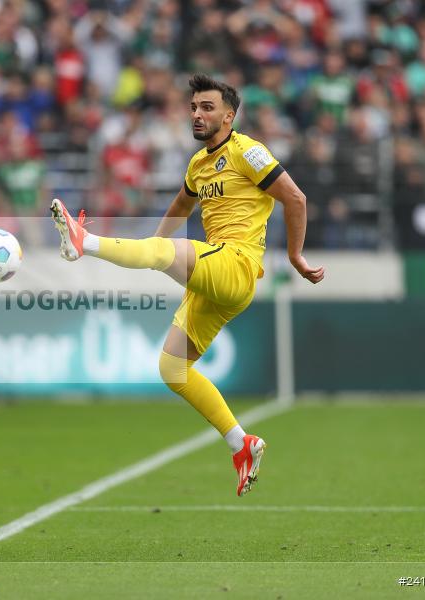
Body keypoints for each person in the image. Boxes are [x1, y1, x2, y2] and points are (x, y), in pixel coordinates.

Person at [50, 74, 324, 496]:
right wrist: (154, 246)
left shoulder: (247, 151)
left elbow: (296, 198)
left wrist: (294, 255)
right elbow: (180, 204)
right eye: (194, 107)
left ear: (229, 116)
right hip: (218, 276)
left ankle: (84, 241)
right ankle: (242, 443)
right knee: (172, 368)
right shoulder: (198, 165)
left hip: (237, 264)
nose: (198, 114)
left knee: (166, 252)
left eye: (208, 107)